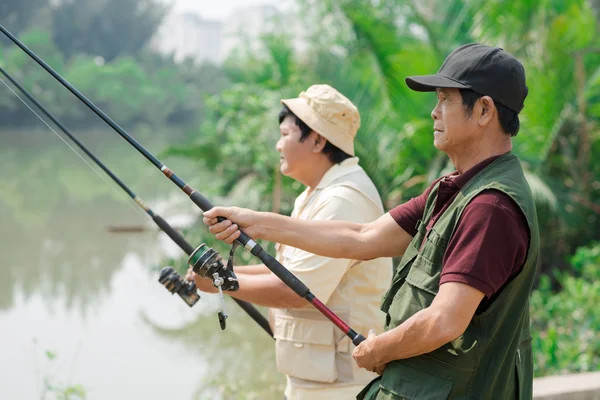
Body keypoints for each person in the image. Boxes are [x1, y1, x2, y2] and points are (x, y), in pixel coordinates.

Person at [202, 43, 540, 399]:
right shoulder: (456, 188)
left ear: (484, 110)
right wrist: (255, 223)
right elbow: (363, 236)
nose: (434, 113)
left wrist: (381, 349)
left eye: (444, 99)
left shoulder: (490, 206)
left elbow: (445, 320)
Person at [188, 84, 393, 399]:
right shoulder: (314, 194)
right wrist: (219, 275)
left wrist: (222, 282)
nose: (278, 145)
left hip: (342, 386)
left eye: (285, 134)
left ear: (318, 140)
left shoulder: (343, 199)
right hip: (317, 380)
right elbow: (286, 271)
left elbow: (295, 292)